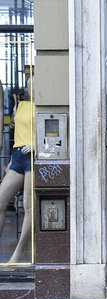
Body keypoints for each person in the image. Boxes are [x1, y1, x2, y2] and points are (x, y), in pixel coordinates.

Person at [0, 78, 35, 263]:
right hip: (18, 155)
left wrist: (35, 145)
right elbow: (17, 132)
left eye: (35, 83)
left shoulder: (44, 106)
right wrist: (13, 156)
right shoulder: (20, 105)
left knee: (29, 206)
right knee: (1, 200)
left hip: (33, 156)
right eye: (30, 83)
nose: (32, 86)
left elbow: (52, 131)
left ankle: (18, 253)